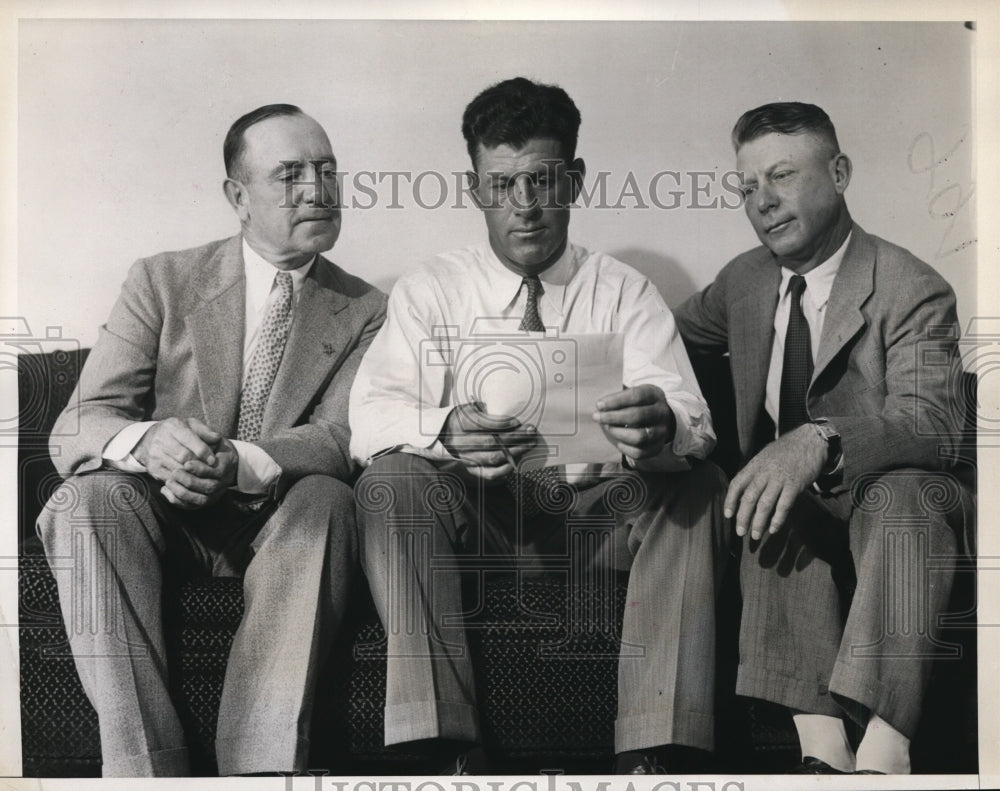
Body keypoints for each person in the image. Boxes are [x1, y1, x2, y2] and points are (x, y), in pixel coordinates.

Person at [349, 77, 728, 775]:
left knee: (697, 482)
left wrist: (662, 422)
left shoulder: (624, 290)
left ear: (574, 180)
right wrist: (444, 428)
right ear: (475, 189)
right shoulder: (431, 289)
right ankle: (443, 751)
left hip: (596, 521)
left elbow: (695, 419)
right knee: (391, 478)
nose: (524, 205)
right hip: (477, 522)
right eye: (502, 185)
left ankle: (656, 755)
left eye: (543, 180)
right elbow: (368, 419)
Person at [37, 104, 387, 776]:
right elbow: (80, 423)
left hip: (280, 524)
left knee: (328, 499)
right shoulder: (162, 280)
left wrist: (239, 462)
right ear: (238, 197)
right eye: (290, 174)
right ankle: (146, 771)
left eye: (327, 170)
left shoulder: (367, 308)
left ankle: (260, 770)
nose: (318, 190)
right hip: (160, 520)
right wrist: (150, 442)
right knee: (83, 501)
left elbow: (342, 437)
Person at [674, 101, 973, 775]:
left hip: (897, 508)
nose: (762, 201)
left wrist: (819, 440)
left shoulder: (911, 286)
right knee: (763, 489)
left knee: (901, 497)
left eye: (781, 175)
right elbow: (660, 336)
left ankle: (886, 752)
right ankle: (823, 754)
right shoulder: (744, 280)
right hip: (802, 513)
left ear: (839, 174)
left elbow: (934, 426)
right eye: (747, 186)